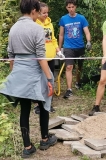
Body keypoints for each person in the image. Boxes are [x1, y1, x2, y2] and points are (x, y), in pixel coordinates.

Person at [0, 0, 57, 158]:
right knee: (44, 104)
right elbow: (40, 56)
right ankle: (45, 139)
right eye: (38, 11)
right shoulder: (37, 28)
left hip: (19, 71)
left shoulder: (13, 28)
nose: (39, 13)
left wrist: (14, 74)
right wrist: (49, 77)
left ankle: (27, 146)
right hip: (35, 72)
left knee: (24, 109)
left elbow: (11, 56)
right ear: (33, 10)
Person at [34, 2, 65, 114]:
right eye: (43, 13)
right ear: (38, 13)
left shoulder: (50, 24)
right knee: (40, 82)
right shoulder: (34, 24)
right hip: (40, 59)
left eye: (47, 12)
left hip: (51, 58)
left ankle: (48, 104)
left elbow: (53, 39)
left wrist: (59, 52)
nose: (46, 15)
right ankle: (38, 105)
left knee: (50, 81)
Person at [58, 0, 92, 98]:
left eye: (73, 7)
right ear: (66, 8)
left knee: (79, 67)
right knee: (69, 67)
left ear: (75, 7)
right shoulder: (63, 19)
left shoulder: (81, 18)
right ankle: (69, 89)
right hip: (68, 47)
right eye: (69, 7)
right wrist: (59, 49)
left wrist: (88, 41)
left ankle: (78, 82)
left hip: (80, 47)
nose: (71, 9)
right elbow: (61, 34)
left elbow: (87, 32)